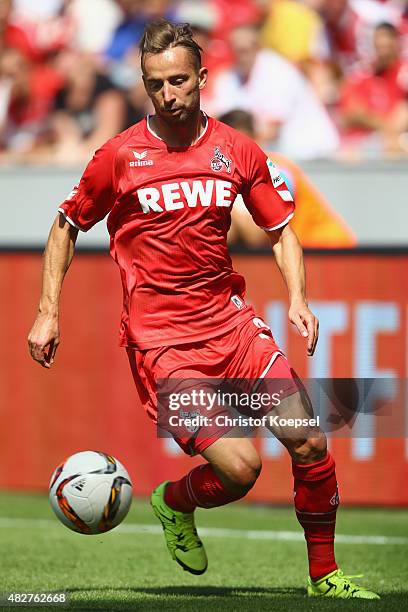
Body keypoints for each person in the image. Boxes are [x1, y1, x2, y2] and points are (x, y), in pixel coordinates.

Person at [28, 20, 379, 599]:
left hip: (233, 326)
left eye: (179, 81)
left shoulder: (236, 149)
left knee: (311, 442)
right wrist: (48, 311)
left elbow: (281, 228)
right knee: (241, 470)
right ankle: (174, 501)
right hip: (164, 343)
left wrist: (298, 299)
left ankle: (325, 577)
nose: (168, 95)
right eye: (155, 84)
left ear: (202, 78)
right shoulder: (118, 157)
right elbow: (65, 226)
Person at [218, 109, 356, 248]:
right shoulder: (235, 175)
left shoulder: (277, 171)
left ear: (257, 139)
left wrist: (221, 197)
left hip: (329, 252)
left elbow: (256, 236)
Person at [204, 24, 339, 159]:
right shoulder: (229, 77)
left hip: (313, 154)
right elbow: (218, 121)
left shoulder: (278, 71)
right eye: (237, 49)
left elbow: (271, 130)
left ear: (258, 47)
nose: (241, 55)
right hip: (279, 157)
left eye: (246, 49)